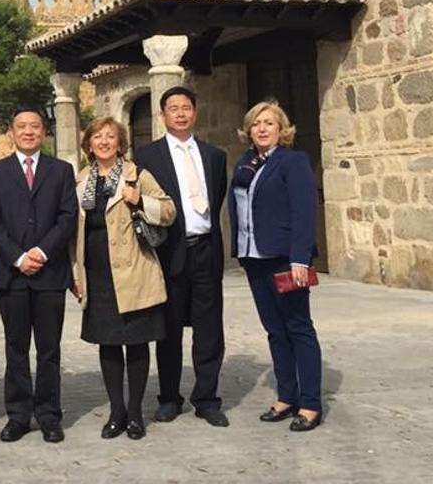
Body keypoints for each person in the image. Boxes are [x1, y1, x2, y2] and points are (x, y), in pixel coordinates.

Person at [72, 117, 176, 441]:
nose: (104, 141)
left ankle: (135, 413)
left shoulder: (137, 175)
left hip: (133, 271)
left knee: (137, 343)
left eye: (111, 137)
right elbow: (72, 232)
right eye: (98, 137)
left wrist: (140, 200)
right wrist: (75, 273)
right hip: (98, 273)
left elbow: (169, 210)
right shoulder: (81, 179)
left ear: (120, 143)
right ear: (88, 144)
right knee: (108, 344)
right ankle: (116, 412)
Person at [134, 86, 230, 427]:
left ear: (195, 112)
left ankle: (207, 398)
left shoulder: (214, 156)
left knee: (209, 329)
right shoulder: (147, 157)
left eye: (186, 107)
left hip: (206, 249)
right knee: (169, 329)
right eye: (172, 108)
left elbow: (216, 200)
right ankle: (169, 397)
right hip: (170, 251)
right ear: (163, 116)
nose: (180, 113)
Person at [0, 107, 77, 443]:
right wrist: (19, 257)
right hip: (12, 275)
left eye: (35, 126)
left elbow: (67, 217)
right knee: (16, 347)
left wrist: (42, 252)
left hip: (51, 273)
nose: (28, 132)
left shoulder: (61, 170)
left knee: (49, 349)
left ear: (44, 131)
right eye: (21, 126)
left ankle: (49, 415)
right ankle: (19, 415)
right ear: (11, 132)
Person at [229, 100, 323, 432]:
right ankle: (287, 396)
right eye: (256, 123)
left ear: (281, 129)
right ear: (248, 130)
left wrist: (301, 258)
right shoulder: (245, 164)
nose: (263, 128)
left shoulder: (293, 162)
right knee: (275, 331)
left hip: (285, 259)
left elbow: (303, 211)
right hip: (255, 259)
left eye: (269, 122)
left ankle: (311, 402)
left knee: (299, 328)